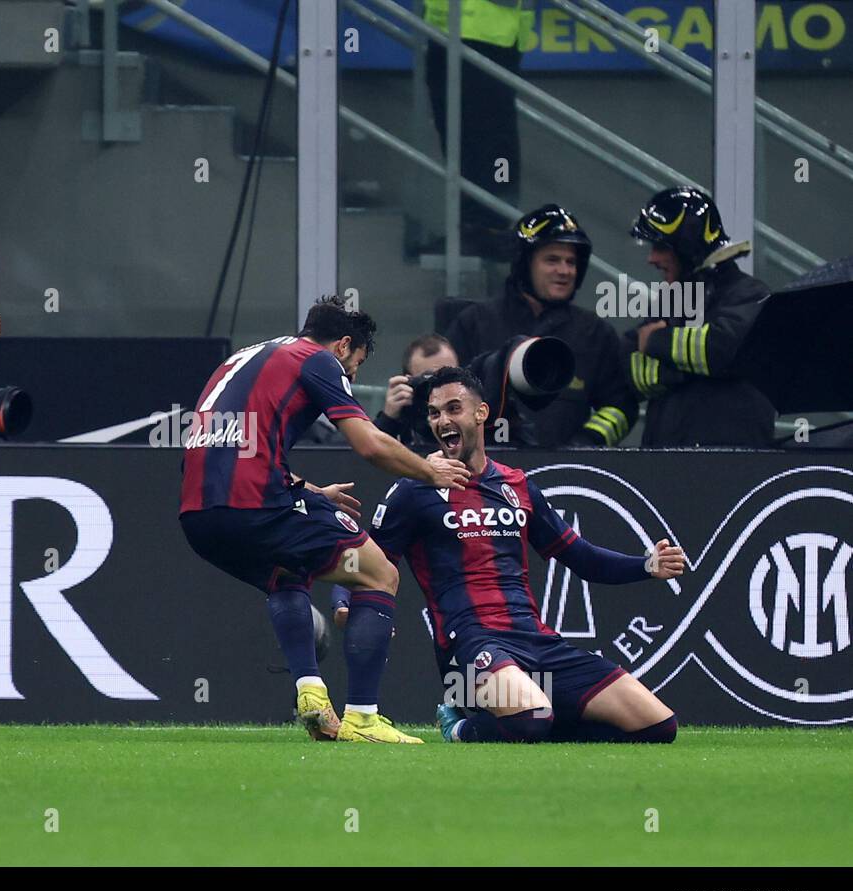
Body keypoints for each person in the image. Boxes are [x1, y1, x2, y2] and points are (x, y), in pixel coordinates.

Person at [179, 295, 470, 744]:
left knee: (286, 573)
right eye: (355, 364)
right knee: (379, 575)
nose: (352, 376)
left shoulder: (243, 358)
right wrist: (431, 470)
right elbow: (370, 445)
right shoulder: (317, 359)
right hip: (257, 505)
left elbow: (227, 447)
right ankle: (364, 718)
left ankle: (310, 692)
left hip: (199, 517)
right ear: (344, 345)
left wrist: (305, 490)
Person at [371, 366, 684, 743]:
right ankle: (459, 726)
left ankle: (535, 718)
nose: (443, 421)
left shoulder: (516, 485)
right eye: (435, 413)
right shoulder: (414, 489)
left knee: (659, 727)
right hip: (470, 650)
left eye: (454, 409)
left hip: (536, 642)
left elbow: (581, 557)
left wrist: (647, 565)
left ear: (481, 414)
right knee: (532, 718)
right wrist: (348, 603)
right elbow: (371, 557)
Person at [445, 204, 638, 448]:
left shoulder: (595, 333)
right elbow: (443, 400)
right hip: (486, 476)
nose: (565, 270)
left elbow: (621, 406)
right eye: (552, 260)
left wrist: (589, 441)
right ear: (524, 264)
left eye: (571, 262)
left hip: (565, 477)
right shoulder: (474, 323)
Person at [626, 186, 775, 448]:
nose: (652, 258)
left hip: (734, 471)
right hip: (663, 468)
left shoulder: (752, 294)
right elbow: (632, 369)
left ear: (687, 246)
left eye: (660, 247)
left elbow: (724, 350)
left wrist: (656, 342)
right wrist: (697, 369)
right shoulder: (671, 300)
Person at [422, 0, 530, 257]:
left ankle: (491, 227)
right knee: (456, 133)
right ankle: (471, 226)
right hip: (445, 29)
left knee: (489, 135)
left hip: (488, 34)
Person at [375, 333, 460, 452]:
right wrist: (388, 419)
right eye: (430, 379)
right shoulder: (402, 417)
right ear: (409, 381)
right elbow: (365, 460)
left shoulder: (472, 414)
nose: (440, 387)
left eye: (449, 376)